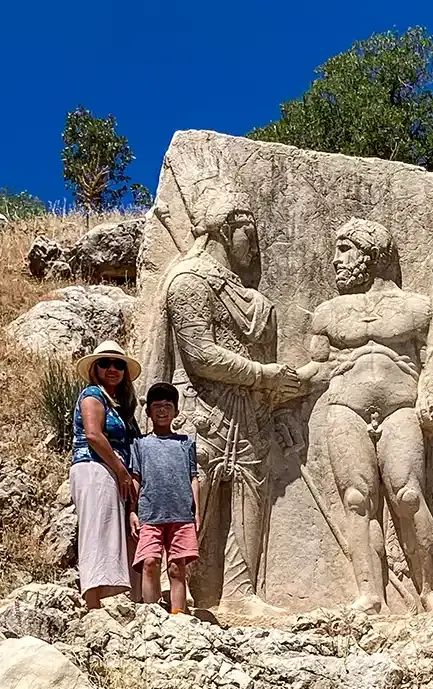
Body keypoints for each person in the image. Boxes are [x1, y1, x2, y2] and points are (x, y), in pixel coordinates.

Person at [140, 189, 301, 607]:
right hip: (201, 406)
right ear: (228, 230)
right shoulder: (188, 281)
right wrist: (263, 376)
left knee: (251, 492)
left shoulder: (254, 300)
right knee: (196, 497)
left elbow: (265, 361)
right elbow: (200, 354)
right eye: (251, 232)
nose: (256, 245)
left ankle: (241, 592)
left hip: (249, 411)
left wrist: (278, 402)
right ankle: (187, 590)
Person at [297, 219, 433, 613]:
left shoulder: (418, 308)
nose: (336, 260)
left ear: (371, 254)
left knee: (408, 494)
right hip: (345, 408)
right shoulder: (328, 313)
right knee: (357, 499)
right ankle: (370, 592)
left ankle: (431, 590)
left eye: (345, 249)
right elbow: (318, 368)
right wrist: (279, 382)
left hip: (400, 407)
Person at [69, 341, 142, 609]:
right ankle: (92, 602)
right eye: (106, 363)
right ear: (95, 368)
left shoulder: (121, 406)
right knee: (97, 530)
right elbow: (93, 435)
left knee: (110, 531)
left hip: (109, 471)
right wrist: (121, 470)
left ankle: (109, 597)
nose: (112, 369)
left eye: (118, 364)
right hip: (94, 467)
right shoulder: (92, 395)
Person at [129, 382, 200, 614]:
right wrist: (132, 510)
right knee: (149, 562)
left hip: (181, 514)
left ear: (176, 412)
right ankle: (151, 617)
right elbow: (136, 478)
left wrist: (196, 511)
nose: (162, 411)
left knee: (177, 567)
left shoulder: (186, 443)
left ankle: (178, 616)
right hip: (150, 513)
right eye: (156, 406)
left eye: (167, 406)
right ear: (148, 412)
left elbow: (193, 478)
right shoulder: (140, 444)